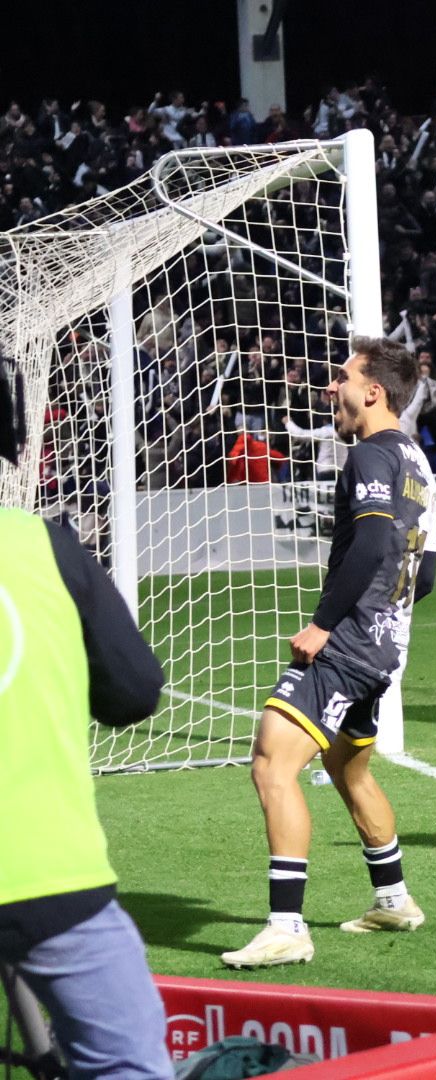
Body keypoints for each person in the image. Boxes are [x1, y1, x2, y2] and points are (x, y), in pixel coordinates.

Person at [222, 337, 436, 967]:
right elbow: (423, 576)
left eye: (341, 378)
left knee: (272, 762)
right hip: (385, 645)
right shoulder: (419, 465)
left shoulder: (371, 455)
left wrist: (324, 626)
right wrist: (385, 622)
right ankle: (394, 898)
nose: (330, 389)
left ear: (372, 391)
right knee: (349, 769)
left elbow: (373, 544)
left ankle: (288, 927)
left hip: (349, 641)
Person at [0, 357, 170, 1078]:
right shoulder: (45, 550)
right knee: (129, 1065)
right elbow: (134, 692)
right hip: (47, 874)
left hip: (49, 879)